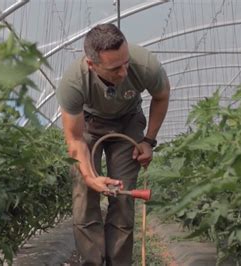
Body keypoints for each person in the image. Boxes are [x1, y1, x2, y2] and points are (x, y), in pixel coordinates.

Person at [56, 23, 170, 265]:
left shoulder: (145, 65)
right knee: (85, 198)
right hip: (89, 125)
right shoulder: (73, 82)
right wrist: (90, 178)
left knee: (123, 196)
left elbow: (161, 96)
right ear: (91, 64)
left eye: (126, 62)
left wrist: (148, 140)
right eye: (115, 68)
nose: (124, 72)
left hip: (128, 122)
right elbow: (75, 140)